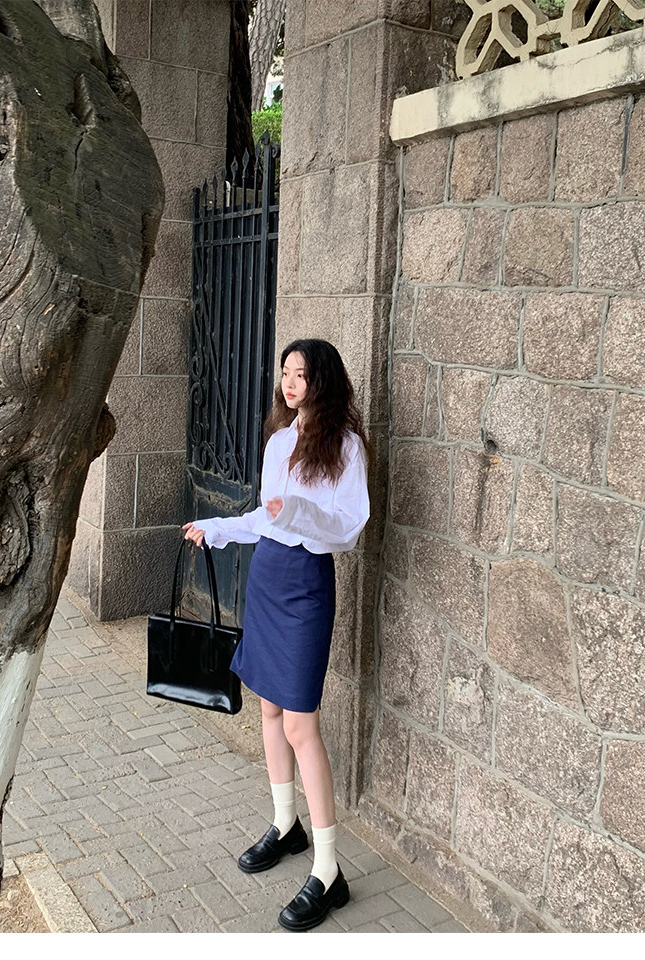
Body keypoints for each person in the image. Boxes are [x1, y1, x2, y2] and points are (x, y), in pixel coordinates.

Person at [182, 338, 371, 932]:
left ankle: (328, 870)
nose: (289, 383)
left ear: (323, 381)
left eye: (301, 374)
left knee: (300, 723)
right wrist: (216, 526)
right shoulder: (279, 441)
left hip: (307, 583)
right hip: (267, 575)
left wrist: (297, 513)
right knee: (267, 709)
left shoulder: (345, 446)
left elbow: (349, 529)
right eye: (285, 372)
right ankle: (286, 824)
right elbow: (265, 517)